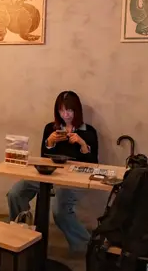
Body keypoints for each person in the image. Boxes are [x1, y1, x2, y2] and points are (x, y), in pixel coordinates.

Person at [6, 91, 98, 254]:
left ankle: (87, 247)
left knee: (60, 210)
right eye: (61, 110)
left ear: (77, 111)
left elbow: (93, 163)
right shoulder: (51, 128)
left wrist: (83, 145)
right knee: (15, 193)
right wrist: (49, 142)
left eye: (69, 110)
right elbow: (44, 158)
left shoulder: (88, 131)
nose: (65, 115)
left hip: (74, 178)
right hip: (49, 174)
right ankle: (23, 237)